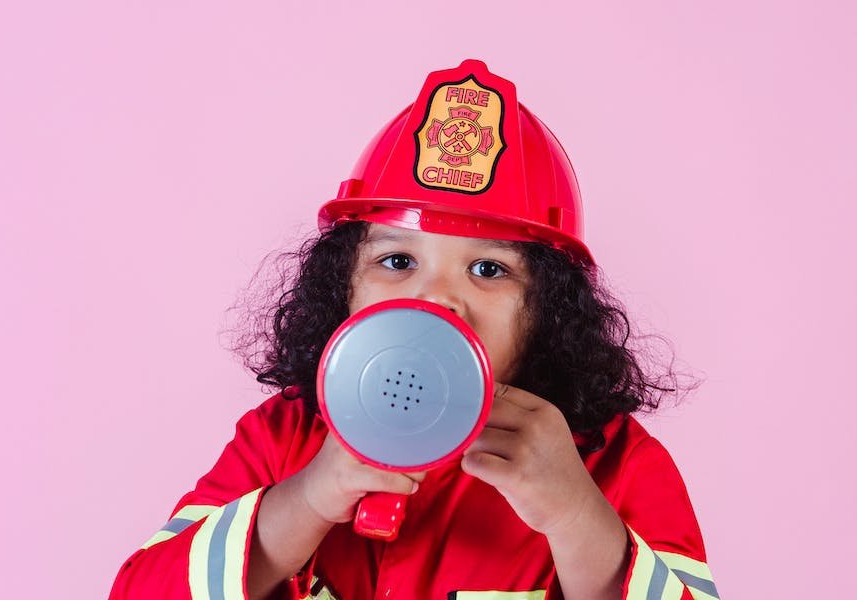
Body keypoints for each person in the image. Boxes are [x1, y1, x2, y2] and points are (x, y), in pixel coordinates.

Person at [109, 59, 719, 600]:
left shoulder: (615, 462)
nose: (436, 297)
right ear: (343, 286)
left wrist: (575, 515)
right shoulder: (281, 436)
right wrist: (309, 498)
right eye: (398, 260)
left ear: (549, 310)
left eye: (489, 269)